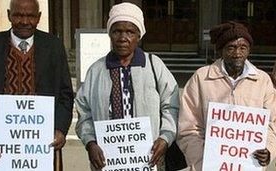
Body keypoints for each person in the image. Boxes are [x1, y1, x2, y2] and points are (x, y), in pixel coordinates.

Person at [75, 2, 181, 170]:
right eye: (117, 31)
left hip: (148, 159)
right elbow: (84, 112)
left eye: (130, 32)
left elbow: (171, 105)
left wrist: (165, 138)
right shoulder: (96, 70)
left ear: (139, 36)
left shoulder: (154, 65)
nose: (123, 38)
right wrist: (90, 143)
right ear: (110, 34)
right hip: (108, 161)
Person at [0, 0, 74, 170]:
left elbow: (65, 95)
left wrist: (60, 129)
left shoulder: (53, 47)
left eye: (30, 16)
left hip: (40, 149)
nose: (25, 21)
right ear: (8, 15)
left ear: (39, 17)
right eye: (18, 15)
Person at [176, 21, 276, 171]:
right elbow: (188, 127)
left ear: (249, 50)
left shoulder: (262, 81)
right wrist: (201, 160)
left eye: (243, 48)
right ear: (220, 50)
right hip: (207, 165)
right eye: (231, 48)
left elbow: (272, 124)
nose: (237, 54)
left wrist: (268, 149)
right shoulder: (201, 78)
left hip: (248, 165)